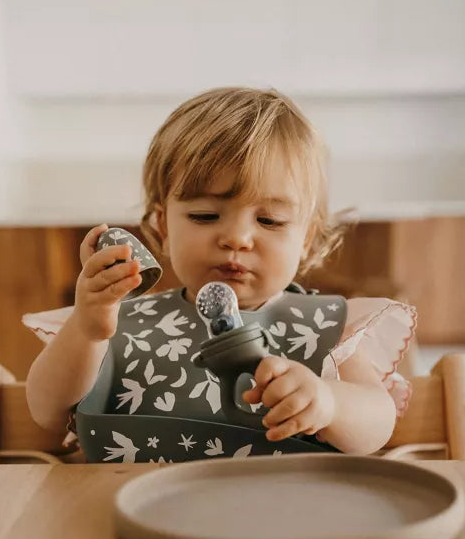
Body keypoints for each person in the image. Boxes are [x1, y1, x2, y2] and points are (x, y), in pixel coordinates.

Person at [24, 87, 416, 460]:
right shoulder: (116, 325)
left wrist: (329, 402)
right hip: (137, 501)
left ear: (306, 238)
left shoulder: (325, 327)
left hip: (285, 502)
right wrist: (87, 330)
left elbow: (377, 424)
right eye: (205, 215)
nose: (237, 238)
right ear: (163, 226)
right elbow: (47, 412)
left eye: (270, 220)